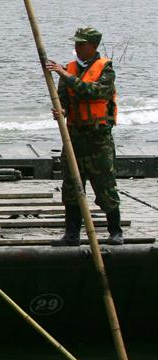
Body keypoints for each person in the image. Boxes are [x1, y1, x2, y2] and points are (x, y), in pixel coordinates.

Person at [45, 27, 124, 246]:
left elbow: (93, 92)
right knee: (71, 186)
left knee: (105, 185)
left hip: (98, 139)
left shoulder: (105, 69)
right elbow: (63, 99)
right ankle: (72, 234)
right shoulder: (69, 69)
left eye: (82, 44)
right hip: (74, 138)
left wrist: (64, 74)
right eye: (76, 44)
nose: (77, 48)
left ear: (93, 46)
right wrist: (60, 110)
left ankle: (115, 232)